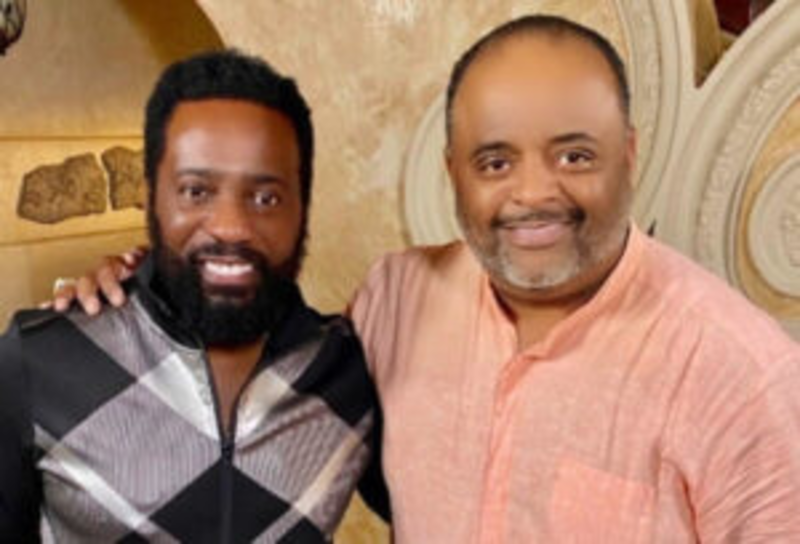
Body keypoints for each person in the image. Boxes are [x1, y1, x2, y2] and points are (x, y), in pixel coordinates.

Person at [49, 15, 800, 543]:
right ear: (454, 174)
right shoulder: (395, 298)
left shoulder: (744, 377)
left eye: (575, 155)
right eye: (495, 161)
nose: (533, 194)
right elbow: (262, 363)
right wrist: (140, 291)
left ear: (628, 156)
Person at [0, 50, 386, 542]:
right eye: (196, 191)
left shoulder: (352, 372)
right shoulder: (38, 360)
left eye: (266, 197)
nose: (231, 226)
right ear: (152, 197)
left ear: (302, 209)